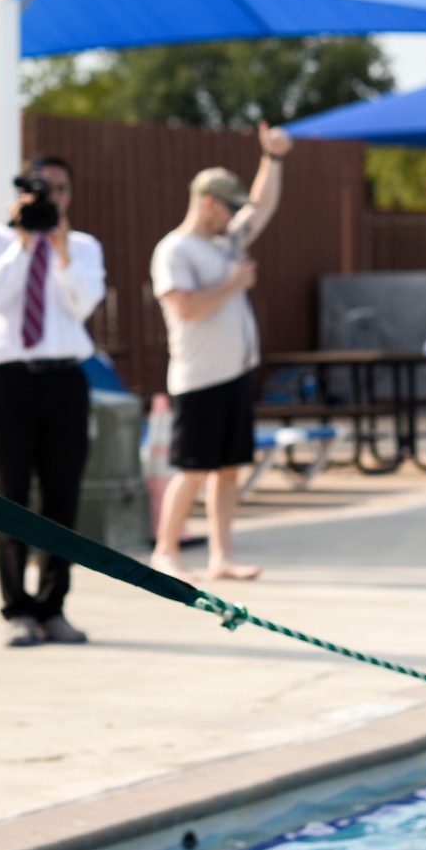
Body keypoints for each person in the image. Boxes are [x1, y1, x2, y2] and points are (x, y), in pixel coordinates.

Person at [0, 155, 107, 647]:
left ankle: (53, 607)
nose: (52, 198)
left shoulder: (83, 246)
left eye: (61, 190)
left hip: (64, 378)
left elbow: (82, 304)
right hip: (6, 379)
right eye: (43, 190)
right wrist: (25, 242)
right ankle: (16, 609)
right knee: (9, 493)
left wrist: (59, 248)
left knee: (63, 494)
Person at [149, 122, 295, 581]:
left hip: (233, 373)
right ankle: (166, 550)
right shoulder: (174, 250)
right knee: (193, 469)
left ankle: (221, 555)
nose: (233, 217)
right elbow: (186, 308)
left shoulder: (224, 242)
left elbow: (264, 208)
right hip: (198, 377)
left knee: (228, 470)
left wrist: (272, 158)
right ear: (207, 202)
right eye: (227, 207)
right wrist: (232, 283)